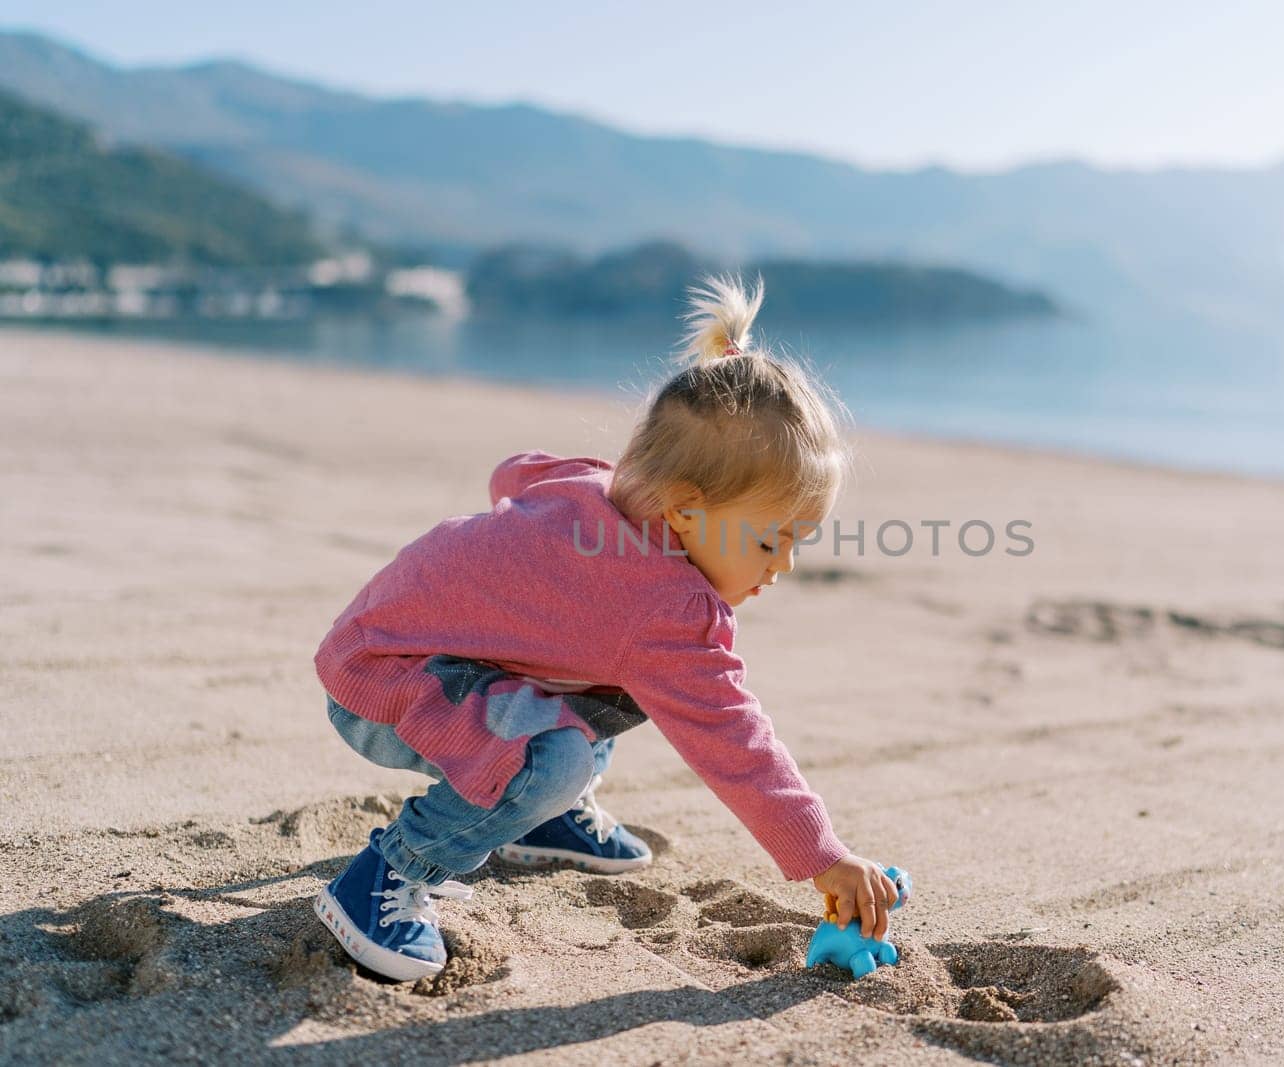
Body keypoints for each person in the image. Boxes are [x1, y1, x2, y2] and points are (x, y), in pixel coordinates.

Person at [311, 273, 899, 980]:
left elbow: (514, 474)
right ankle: (389, 875)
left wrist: (520, 568)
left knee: (612, 675)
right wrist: (822, 855)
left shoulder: (596, 485)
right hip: (390, 685)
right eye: (772, 541)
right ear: (685, 508)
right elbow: (733, 739)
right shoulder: (667, 607)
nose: (785, 566)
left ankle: (543, 815)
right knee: (552, 756)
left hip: (381, 648)